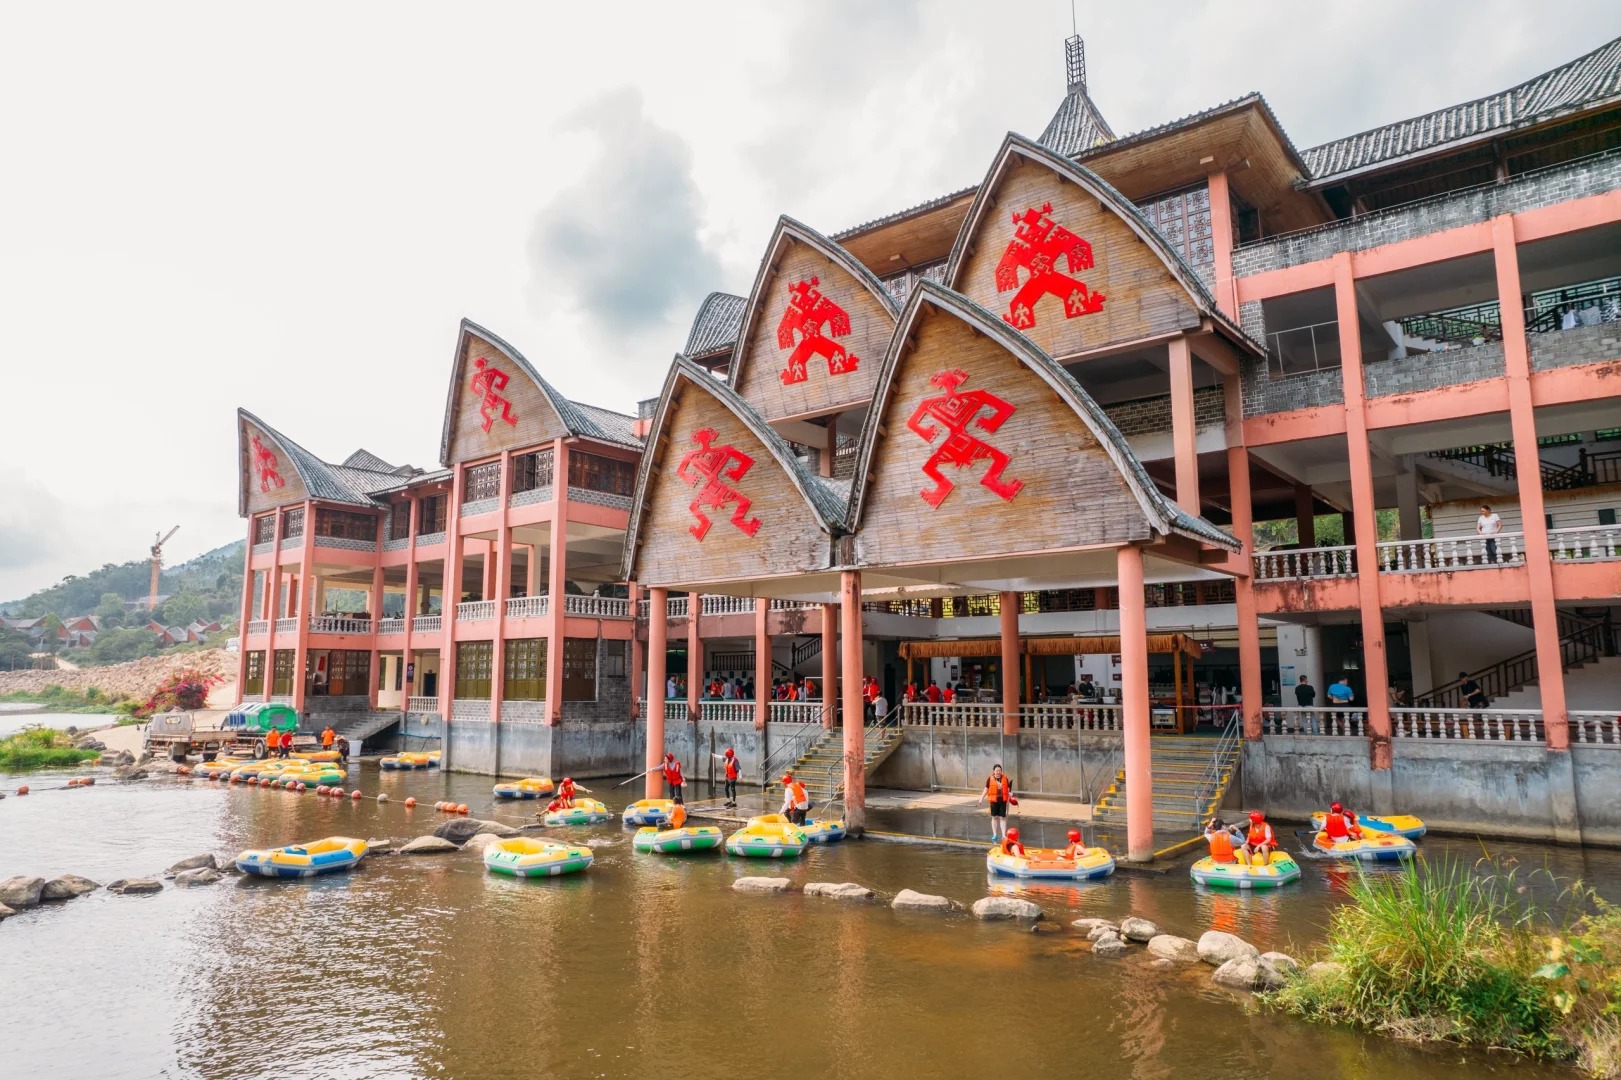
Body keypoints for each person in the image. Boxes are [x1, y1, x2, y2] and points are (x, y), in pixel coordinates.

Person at [976, 763, 1015, 843]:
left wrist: (1010, 794)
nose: (998, 772)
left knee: (1002, 818)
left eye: (999, 771)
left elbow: (1008, 789)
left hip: (1003, 801)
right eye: (996, 771)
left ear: (1001, 771)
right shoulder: (990, 779)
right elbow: (986, 789)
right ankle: (995, 835)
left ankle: (1004, 835)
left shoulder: (1005, 778)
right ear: (994, 771)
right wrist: (981, 798)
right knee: (994, 817)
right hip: (994, 801)